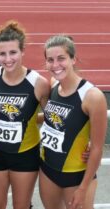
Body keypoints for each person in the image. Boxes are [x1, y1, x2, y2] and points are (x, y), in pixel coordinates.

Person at [0, 20, 50, 209]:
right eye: (2, 53)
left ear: (22, 51)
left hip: (26, 154)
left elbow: (55, 120)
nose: (8, 59)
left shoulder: (39, 83)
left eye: (13, 52)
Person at [39, 35, 107, 209]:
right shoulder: (53, 85)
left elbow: (98, 148)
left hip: (77, 176)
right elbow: (53, 119)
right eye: (50, 60)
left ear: (73, 59)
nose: (55, 65)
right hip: (48, 170)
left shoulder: (92, 96)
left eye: (61, 58)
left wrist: (83, 188)